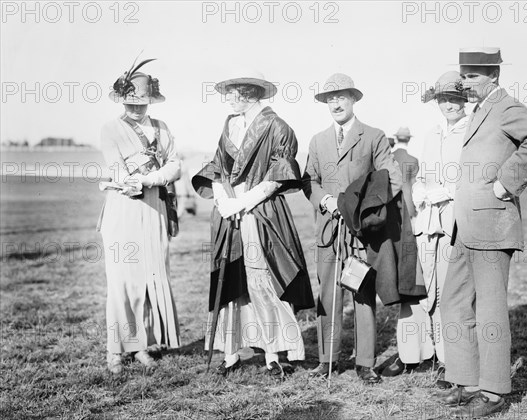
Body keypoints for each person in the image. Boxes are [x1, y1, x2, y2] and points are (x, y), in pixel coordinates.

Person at [435, 48, 527, 418]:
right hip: (465, 226)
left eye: (472, 76)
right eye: (463, 75)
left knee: (488, 311)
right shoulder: (480, 109)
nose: (464, 82)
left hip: (492, 225)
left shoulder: (506, 107)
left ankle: (493, 392)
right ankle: (467, 380)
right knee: (454, 303)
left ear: (494, 76)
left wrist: (508, 181)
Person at [192, 71, 314, 379]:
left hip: (260, 213)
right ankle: (231, 353)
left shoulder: (278, 127)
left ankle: (275, 353)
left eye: (232, 94)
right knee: (231, 280)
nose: (227, 100)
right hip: (229, 215)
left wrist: (241, 203)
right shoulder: (230, 125)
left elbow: (277, 177)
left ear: (249, 95)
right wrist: (223, 202)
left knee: (264, 282)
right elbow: (217, 169)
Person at [303, 73, 404, 384]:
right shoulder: (318, 140)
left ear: (353, 99)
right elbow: (309, 181)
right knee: (327, 295)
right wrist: (327, 201)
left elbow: (393, 179)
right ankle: (326, 359)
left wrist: (363, 210)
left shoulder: (373, 136)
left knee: (362, 294)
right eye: (329, 98)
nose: (335, 102)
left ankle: (365, 363)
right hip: (328, 231)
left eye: (341, 96)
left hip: (360, 233)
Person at [383, 72, 468, 382]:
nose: (449, 104)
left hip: (453, 222)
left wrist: (446, 191)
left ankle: (450, 360)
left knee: (448, 292)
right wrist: (419, 190)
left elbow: (473, 178)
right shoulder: (432, 134)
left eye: (455, 98)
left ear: (465, 100)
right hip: (426, 221)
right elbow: (422, 175)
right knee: (424, 290)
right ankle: (424, 353)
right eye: (443, 98)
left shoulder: (472, 131)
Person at [98, 59, 181, 374]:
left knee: (149, 278)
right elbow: (117, 168)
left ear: (150, 100)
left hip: (155, 208)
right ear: (122, 99)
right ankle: (116, 350)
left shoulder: (162, 128)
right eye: (131, 102)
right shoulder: (110, 129)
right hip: (123, 209)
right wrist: (133, 181)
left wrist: (150, 179)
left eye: (141, 102)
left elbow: (175, 165)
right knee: (121, 279)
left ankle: (141, 345)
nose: (136, 107)